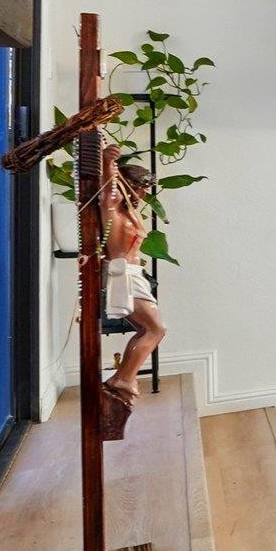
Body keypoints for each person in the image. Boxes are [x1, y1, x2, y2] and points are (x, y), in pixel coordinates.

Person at [99, 150, 164, 436]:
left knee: (147, 330)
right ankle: (124, 378)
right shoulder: (112, 207)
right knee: (155, 329)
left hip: (134, 274)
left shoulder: (129, 211)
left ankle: (124, 378)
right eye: (139, 186)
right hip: (123, 274)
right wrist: (106, 163)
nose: (144, 192)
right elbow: (107, 191)